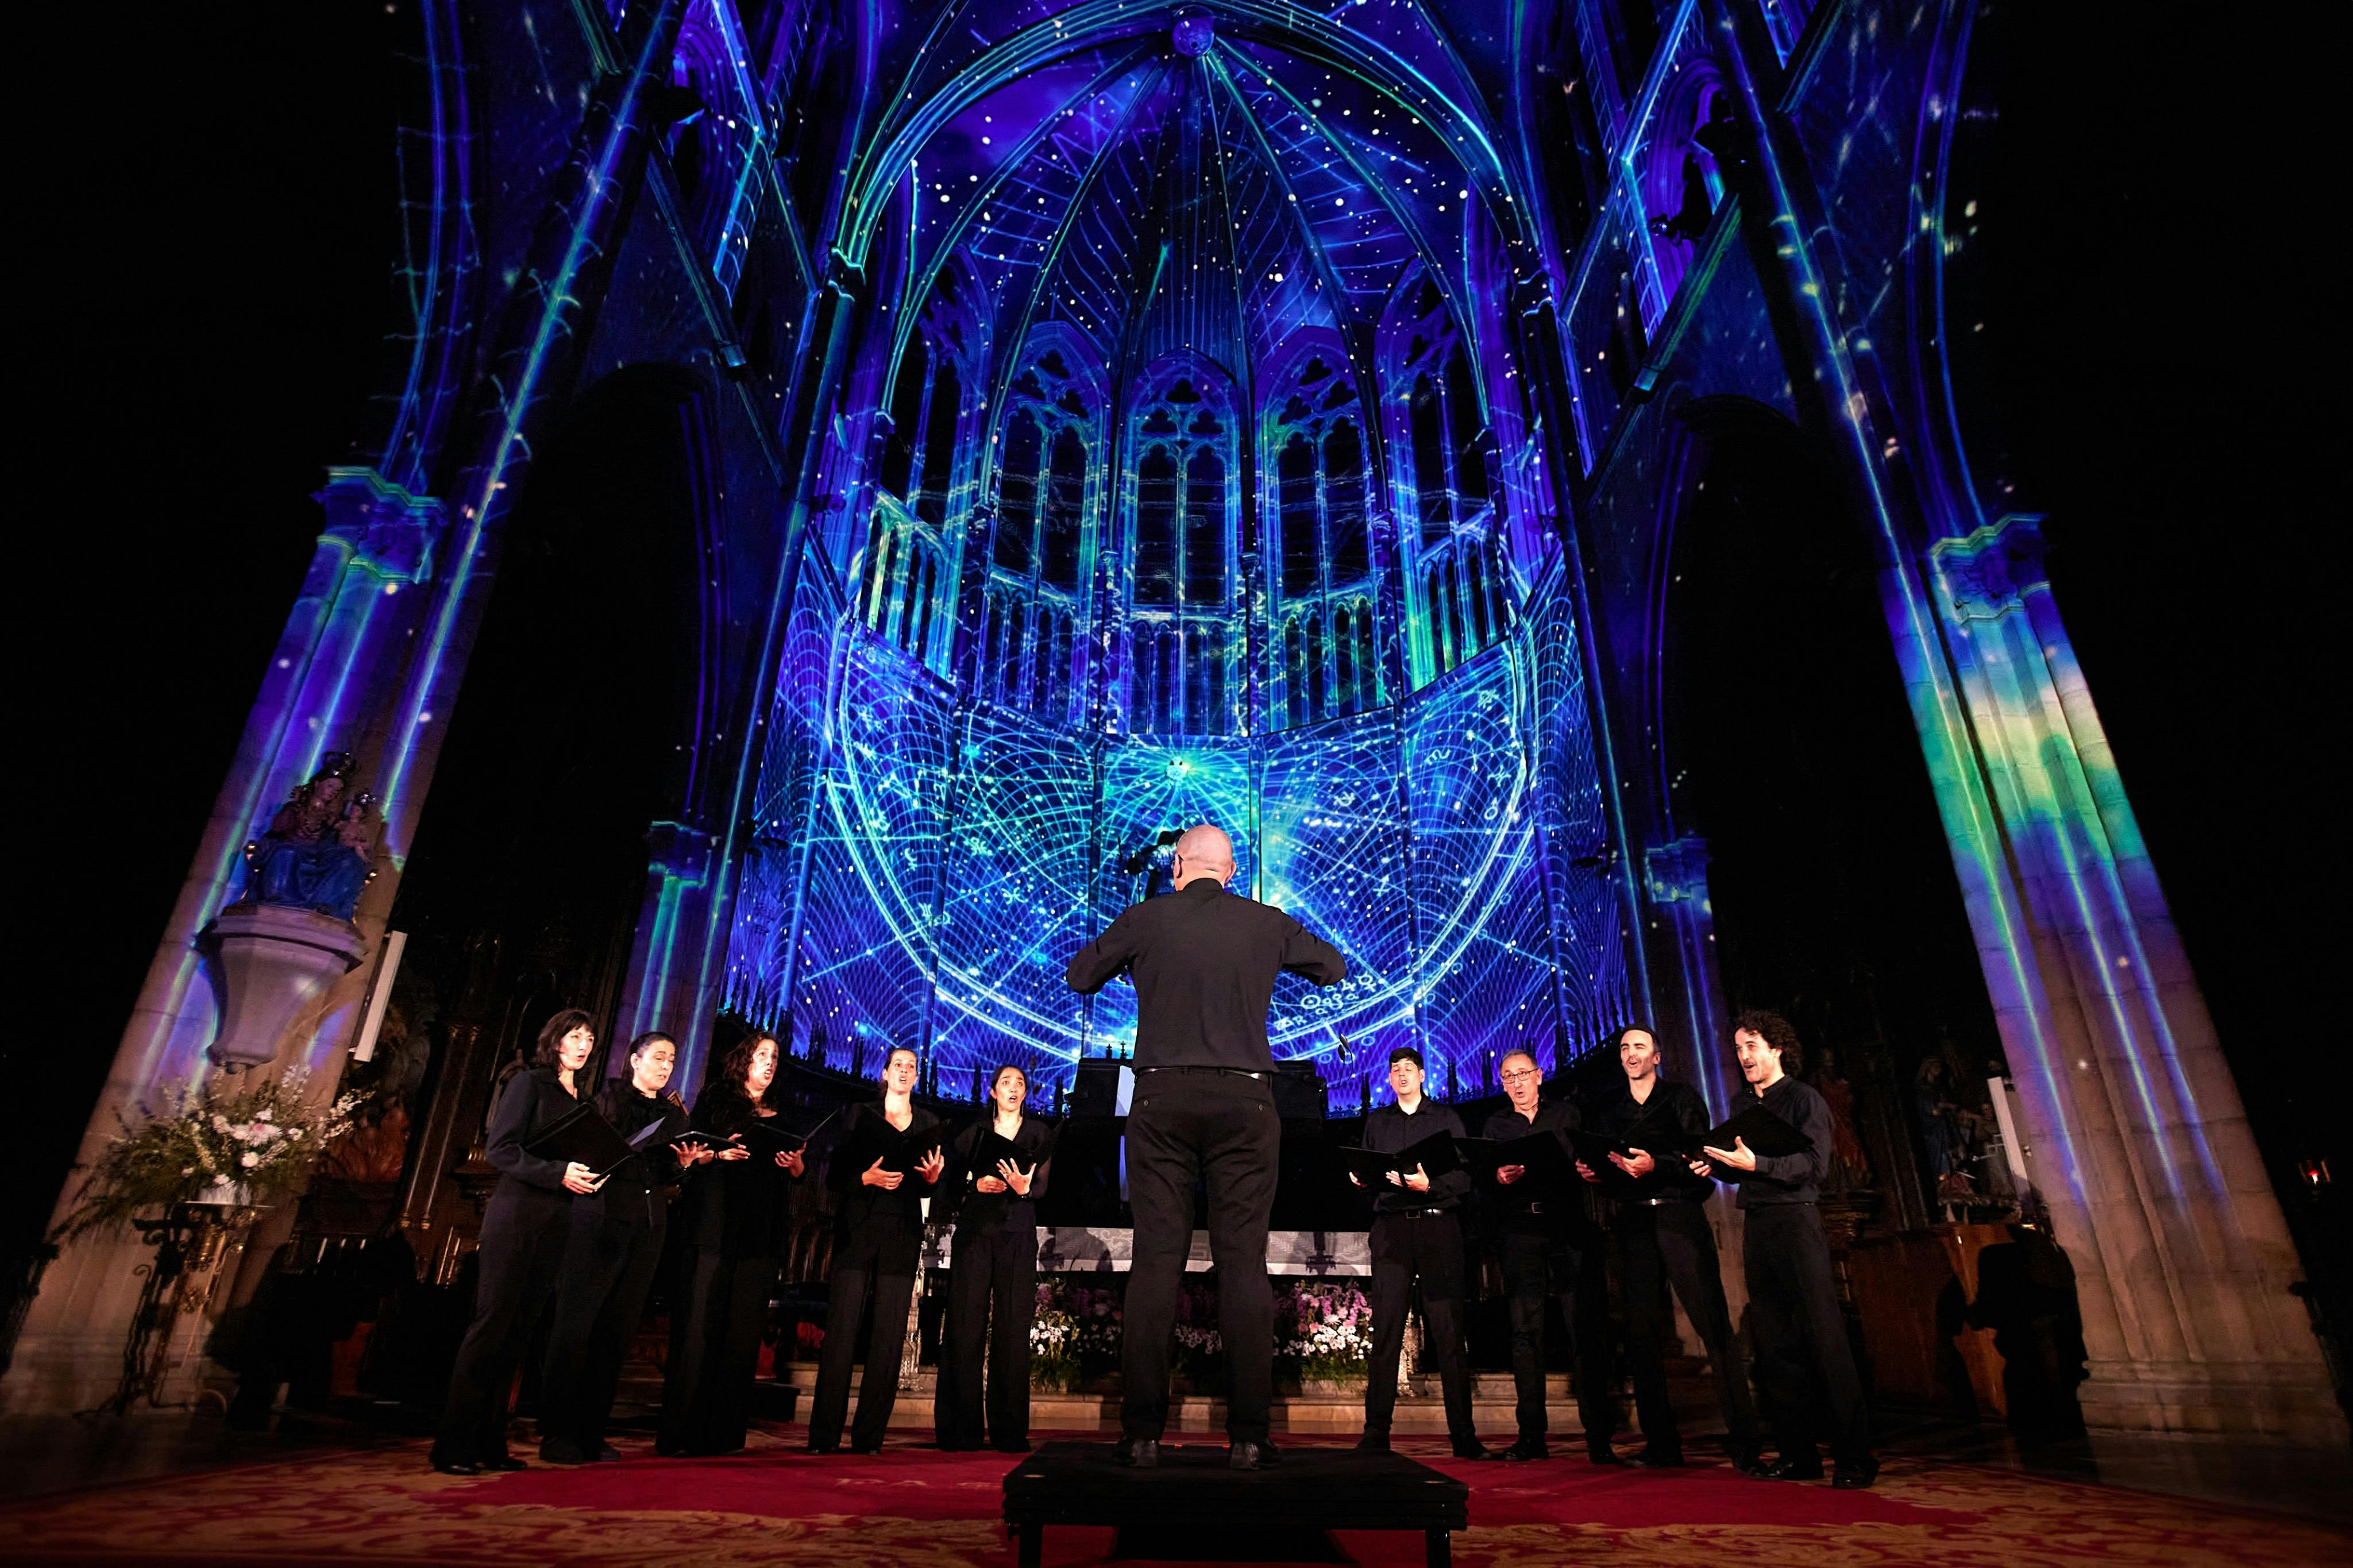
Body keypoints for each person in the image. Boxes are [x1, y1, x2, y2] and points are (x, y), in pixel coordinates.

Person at [1065, 822, 1345, 1471]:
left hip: (1161, 1099)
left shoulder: (1147, 916)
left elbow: (1081, 977)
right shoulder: (1263, 921)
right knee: (1241, 1264)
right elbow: (1332, 967)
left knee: (1157, 1261)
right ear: (1231, 870)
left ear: (1178, 866)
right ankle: (1248, 1434)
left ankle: (1142, 1435)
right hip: (1246, 1103)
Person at [1688, 1009, 1876, 1488]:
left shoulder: (1805, 1099)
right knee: (1775, 1343)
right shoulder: (1740, 1101)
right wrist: (1718, 1166)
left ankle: (1855, 1459)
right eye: (1738, 1048)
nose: (1744, 1056)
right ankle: (1799, 1456)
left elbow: (1813, 1166)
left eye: (1752, 1046)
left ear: (1777, 1049)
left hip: (1798, 1221)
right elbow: (1743, 1165)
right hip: (1758, 1225)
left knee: (1824, 1338)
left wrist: (1758, 1163)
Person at [1575, 1024, 1761, 1470]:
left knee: (1712, 1323)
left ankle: (1745, 1442)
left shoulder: (1681, 1098)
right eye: (1624, 1048)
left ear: (1657, 1057)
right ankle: (1662, 1444)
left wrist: (1655, 1164)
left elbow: (1700, 1159)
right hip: (1634, 1221)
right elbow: (1611, 1166)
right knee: (1641, 1333)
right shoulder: (1609, 1109)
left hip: (1679, 1214)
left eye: (1639, 1046)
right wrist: (1598, 1173)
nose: (1630, 1053)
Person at [431, 1009, 607, 1474]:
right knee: (490, 1329)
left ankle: (491, 1442)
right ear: (555, 1039)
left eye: (589, 1037)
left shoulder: (581, 1099)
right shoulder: (530, 1083)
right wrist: (557, 1173)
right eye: (575, 1035)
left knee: (519, 1335)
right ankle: (453, 1445)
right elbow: (501, 1149)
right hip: (517, 1217)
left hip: (557, 1222)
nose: (583, 1044)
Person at [538, 1031, 712, 1463]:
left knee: (616, 1333)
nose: (666, 1065)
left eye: (672, 1059)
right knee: (577, 1328)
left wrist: (683, 1165)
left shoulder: (673, 1116)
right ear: (634, 1060)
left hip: (647, 1228)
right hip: (598, 1223)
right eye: (657, 1057)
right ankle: (558, 1434)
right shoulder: (607, 1101)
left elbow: (667, 1175)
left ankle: (593, 1431)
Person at [659, 1031, 805, 1457]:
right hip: (714, 1226)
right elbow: (687, 1153)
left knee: (743, 1334)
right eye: (762, 1054)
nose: (770, 1062)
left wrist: (795, 1164)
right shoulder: (716, 1100)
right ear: (744, 1060)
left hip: (761, 1232)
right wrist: (718, 1155)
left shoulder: (785, 1112)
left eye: (775, 1057)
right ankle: (683, 1432)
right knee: (700, 1327)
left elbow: (798, 1172)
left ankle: (725, 1434)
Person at [1478, 1048, 1614, 1463]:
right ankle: (1532, 1436)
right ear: (1502, 1084)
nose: (1517, 1083)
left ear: (1539, 1076)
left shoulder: (1567, 1115)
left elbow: (1593, 1161)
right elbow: (1483, 1178)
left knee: (1582, 1329)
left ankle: (1599, 1437)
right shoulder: (1496, 1124)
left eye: (1523, 1074)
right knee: (1526, 1331)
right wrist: (1498, 1176)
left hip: (1567, 1227)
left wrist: (1589, 1170)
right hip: (1520, 1231)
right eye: (1508, 1077)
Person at [1349, 1045, 1486, 1459]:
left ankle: (1463, 1434)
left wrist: (1433, 1188)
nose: (1401, 1074)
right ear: (1389, 1080)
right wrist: (1362, 1178)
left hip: (1437, 1224)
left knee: (1448, 1330)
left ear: (1423, 1075)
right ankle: (1376, 1431)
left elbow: (1466, 1176)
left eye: (1409, 1068)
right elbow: (1370, 1172)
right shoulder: (1378, 1122)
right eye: (1395, 1070)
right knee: (1386, 1331)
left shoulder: (1445, 1119)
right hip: (1392, 1229)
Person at [809, 1044, 945, 1454]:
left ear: (917, 1077)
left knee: (888, 1338)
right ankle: (824, 1436)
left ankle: (869, 1437)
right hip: (859, 1230)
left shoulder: (928, 1122)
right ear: (884, 1073)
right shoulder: (859, 1115)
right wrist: (865, 1178)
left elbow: (930, 1185)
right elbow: (833, 1176)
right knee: (842, 1333)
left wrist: (934, 1179)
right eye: (897, 1065)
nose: (904, 1071)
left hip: (902, 1231)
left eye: (911, 1067)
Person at [935, 1064, 1052, 1453]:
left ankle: (1008, 1430)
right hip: (976, 1234)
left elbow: (1042, 1187)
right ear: (993, 1091)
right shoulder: (973, 1134)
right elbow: (948, 1185)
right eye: (1007, 1082)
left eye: (1020, 1083)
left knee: (1012, 1329)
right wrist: (974, 1183)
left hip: (1017, 1234)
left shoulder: (1038, 1133)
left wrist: (1023, 1188)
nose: (1014, 1088)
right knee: (965, 1325)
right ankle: (959, 1430)